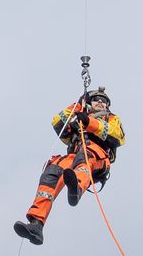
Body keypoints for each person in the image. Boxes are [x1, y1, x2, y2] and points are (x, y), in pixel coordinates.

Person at [13, 87, 125, 246]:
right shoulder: (79, 119)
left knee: (84, 158)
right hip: (75, 155)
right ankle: (36, 224)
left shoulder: (111, 118)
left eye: (104, 101)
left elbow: (117, 136)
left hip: (97, 155)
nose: (100, 102)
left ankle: (76, 189)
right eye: (96, 99)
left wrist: (90, 123)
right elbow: (58, 122)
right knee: (53, 170)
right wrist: (77, 105)